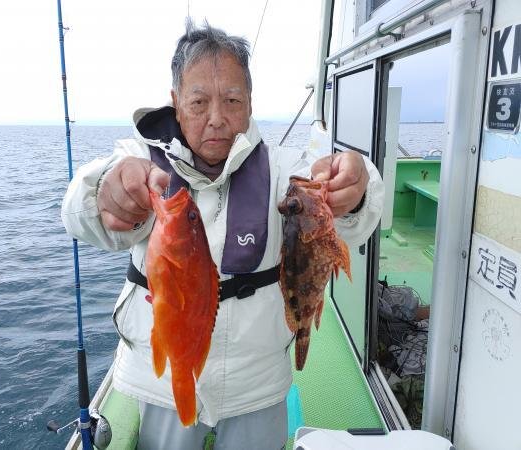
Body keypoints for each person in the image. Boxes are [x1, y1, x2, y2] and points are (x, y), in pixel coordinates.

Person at [62, 20, 384, 450]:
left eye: (232, 100)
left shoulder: (285, 170)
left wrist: (355, 189)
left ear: (250, 102)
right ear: (176, 103)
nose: (216, 118)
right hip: (161, 382)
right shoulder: (139, 161)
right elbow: (80, 212)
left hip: (258, 382)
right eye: (198, 102)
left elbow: (350, 219)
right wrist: (105, 190)